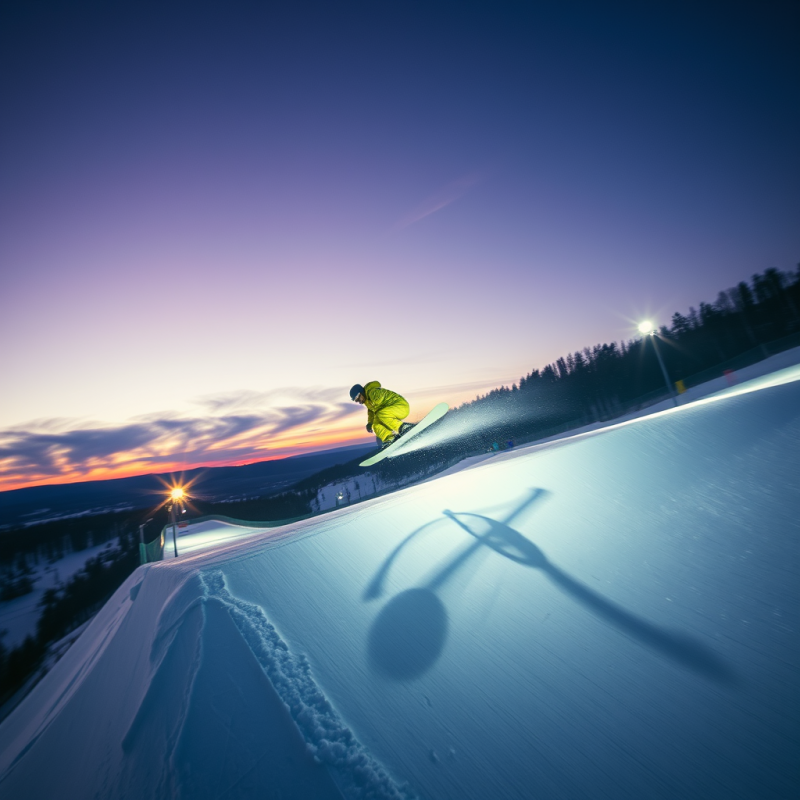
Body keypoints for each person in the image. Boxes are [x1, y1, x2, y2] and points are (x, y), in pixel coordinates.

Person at [350, 382, 414, 449]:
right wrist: (370, 423)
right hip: (390, 411)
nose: (358, 401)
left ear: (361, 392)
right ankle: (389, 438)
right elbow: (371, 412)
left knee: (381, 413)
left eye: (357, 397)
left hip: (401, 407)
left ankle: (404, 427)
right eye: (356, 400)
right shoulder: (367, 402)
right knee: (375, 425)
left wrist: (374, 403)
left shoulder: (372, 392)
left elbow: (379, 398)